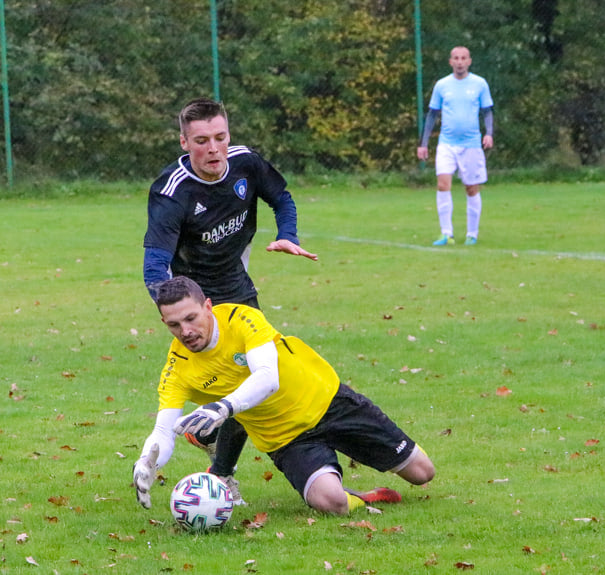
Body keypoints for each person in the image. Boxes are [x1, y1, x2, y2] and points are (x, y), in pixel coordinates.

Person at [132, 277, 436, 515]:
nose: (186, 331)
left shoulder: (242, 319)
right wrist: (148, 461)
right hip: (286, 440)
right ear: (164, 324)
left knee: (423, 473)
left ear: (208, 307)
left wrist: (224, 406)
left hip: (329, 402)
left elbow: (267, 378)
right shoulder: (177, 369)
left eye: (191, 318)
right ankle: (362, 498)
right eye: (174, 325)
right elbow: (163, 431)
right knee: (332, 503)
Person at [142, 98, 319, 503]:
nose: (213, 148)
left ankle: (211, 446)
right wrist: (177, 314)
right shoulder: (171, 193)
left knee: (258, 381)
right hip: (197, 298)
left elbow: (282, 196)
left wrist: (288, 232)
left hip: (238, 286)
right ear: (184, 142)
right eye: (201, 140)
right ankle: (219, 468)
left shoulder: (246, 163)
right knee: (246, 384)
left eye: (220, 137)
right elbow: (155, 265)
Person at [417, 46, 494, 246]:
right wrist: (423, 144)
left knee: (471, 188)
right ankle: (446, 233)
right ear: (450, 61)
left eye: (463, 58)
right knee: (443, 183)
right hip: (447, 143)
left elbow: (487, 111)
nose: (460, 62)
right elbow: (432, 114)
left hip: (471, 144)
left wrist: (489, 133)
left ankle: (472, 233)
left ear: (469, 61)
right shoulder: (442, 85)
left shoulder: (479, 84)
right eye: (456, 58)